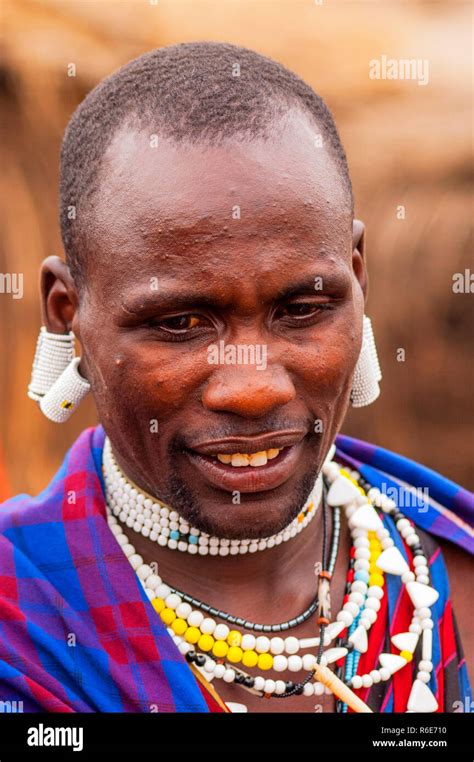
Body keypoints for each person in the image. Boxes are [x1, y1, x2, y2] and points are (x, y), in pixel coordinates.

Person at [0, 42, 472, 714]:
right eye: (180, 323)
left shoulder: (448, 573)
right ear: (68, 311)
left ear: (358, 278)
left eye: (302, 310)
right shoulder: (23, 626)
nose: (254, 389)